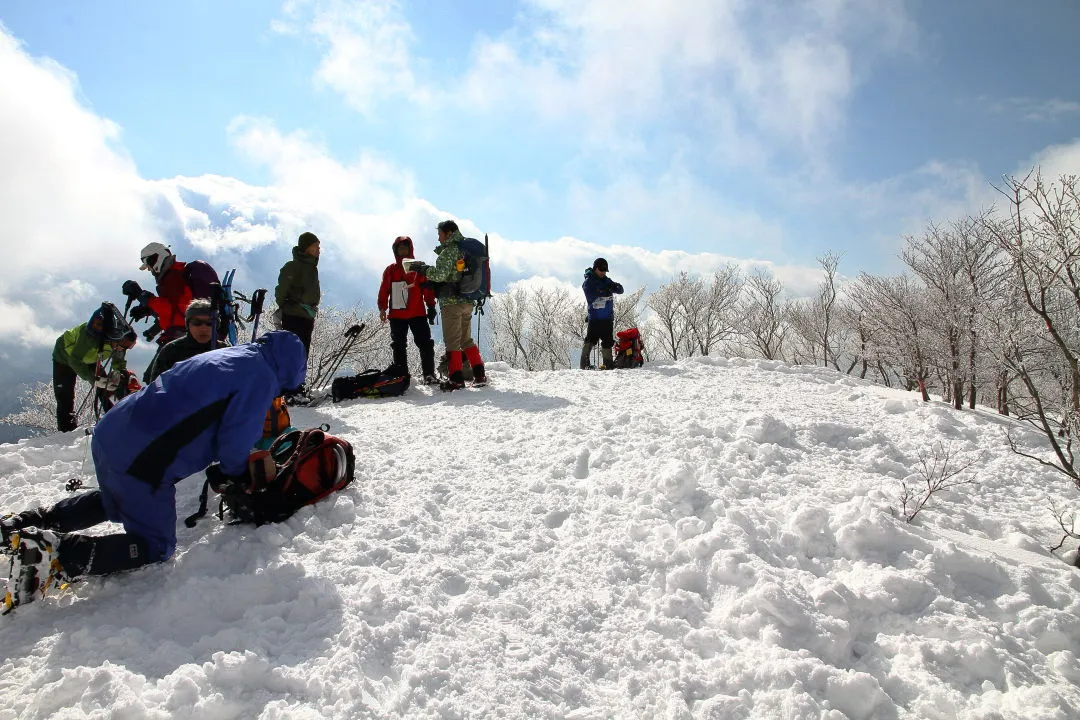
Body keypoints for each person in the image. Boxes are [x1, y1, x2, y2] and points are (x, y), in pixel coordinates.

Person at [0, 331, 307, 607]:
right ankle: (55, 556)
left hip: (114, 430)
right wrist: (240, 474)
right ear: (289, 373)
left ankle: (25, 523)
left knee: (117, 499)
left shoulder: (236, 355)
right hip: (143, 456)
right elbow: (234, 445)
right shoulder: (262, 378)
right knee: (156, 545)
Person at [125, 242, 220, 382]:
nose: (150, 270)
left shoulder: (173, 276)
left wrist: (143, 296)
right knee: (160, 380)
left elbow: (174, 310)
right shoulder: (173, 276)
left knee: (157, 381)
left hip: (180, 337)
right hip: (185, 334)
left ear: (157, 258)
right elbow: (175, 311)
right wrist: (149, 311)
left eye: (149, 264)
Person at [421, 220, 487, 391]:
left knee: (453, 342)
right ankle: (479, 375)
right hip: (467, 301)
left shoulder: (449, 251)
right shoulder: (466, 249)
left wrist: (424, 270)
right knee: (466, 340)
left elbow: (440, 274)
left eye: (440, 234)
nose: (438, 239)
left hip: (451, 303)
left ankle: (456, 379)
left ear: (449, 234)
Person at [52, 303, 138, 432]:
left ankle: (117, 418)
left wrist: (122, 373)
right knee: (65, 397)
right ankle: (66, 431)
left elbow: (118, 362)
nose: (124, 349)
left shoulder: (117, 342)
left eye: (129, 346)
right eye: (124, 345)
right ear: (117, 338)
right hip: (64, 358)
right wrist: (94, 379)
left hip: (90, 358)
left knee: (107, 387)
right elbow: (74, 360)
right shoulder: (89, 338)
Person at [377, 236, 438, 384]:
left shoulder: (419, 268)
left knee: (425, 343)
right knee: (398, 346)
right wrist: (382, 308)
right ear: (395, 251)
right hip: (397, 315)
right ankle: (401, 376)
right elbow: (384, 290)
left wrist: (431, 306)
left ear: (410, 249)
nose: (402, 251)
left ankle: (429, 374)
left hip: (417, 313)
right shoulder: (390, 270)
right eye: (400, 248)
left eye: (405, 248)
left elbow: (428, 289)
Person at [145, 299, 226, 382]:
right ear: (188, 325)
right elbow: (157, 388)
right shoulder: (171, 351)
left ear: (217, 325)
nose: (203, 328)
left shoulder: (225, 351)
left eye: (210, 323)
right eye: (197, 323)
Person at [274, 232, 321, 359]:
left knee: (302, 355)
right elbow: (281, 291)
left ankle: (298, 378)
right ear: (306, 247)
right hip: (293, 317)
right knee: (292, 355)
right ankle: (290, 378)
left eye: (319, 246)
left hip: (307, 318)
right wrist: (288, 306)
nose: (319, 250)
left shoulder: (312, 269)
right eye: (315, 246)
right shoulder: (292, 266)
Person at [580, 257, 624, 370]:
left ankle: (608, 365)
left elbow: (620, 290)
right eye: (601, 270)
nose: (603, 272)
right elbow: (592, 295)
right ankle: (584, 365)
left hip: (607, 318)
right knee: (590, 340)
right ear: (595, 269)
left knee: (607, 342)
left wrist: (612, 286)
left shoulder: (605, 279)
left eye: (605, 270)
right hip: (594, 318)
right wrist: (607, 289)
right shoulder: (589, 281)